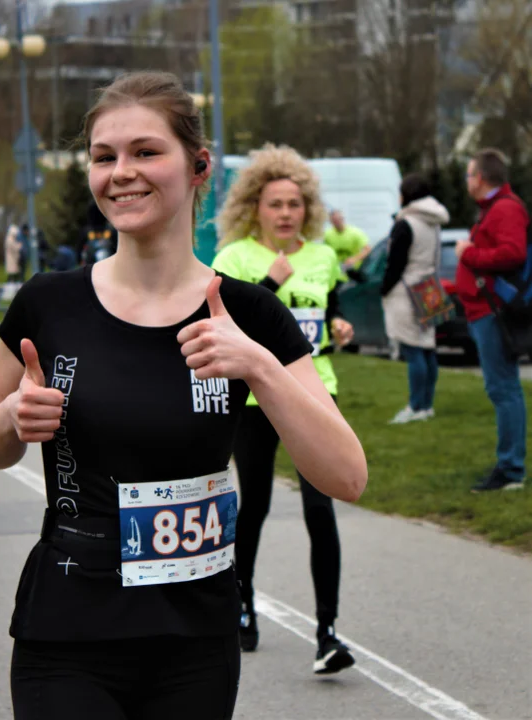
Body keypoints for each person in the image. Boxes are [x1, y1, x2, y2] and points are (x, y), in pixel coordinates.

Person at [0, 72, 367, 720]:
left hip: (194, 642)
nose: (120, 172)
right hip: (67, 631)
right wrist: (11, 419)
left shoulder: (248, 314)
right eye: (104, 156)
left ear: (198, 165)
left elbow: (346, 476)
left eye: (145, 152)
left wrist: (259, 368)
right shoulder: (50, 302)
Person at [212, 143, 358, 673]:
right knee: (255, 504)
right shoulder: (234, 260)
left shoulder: (322, 257)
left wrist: (341, 328)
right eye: (275, 204)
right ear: (255, 207)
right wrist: (270, 282)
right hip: (252, 398)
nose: (285, 214)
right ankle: (243, 606)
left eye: (294, 204)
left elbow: (326, 315)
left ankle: (328, 634)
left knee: (321, 508)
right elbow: (226, 328)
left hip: (316, 391)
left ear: (307, 208)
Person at [456, 148, 529, 492]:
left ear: (481, 178)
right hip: (483, 310)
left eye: (469, 175)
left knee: (504, 390)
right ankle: (509, 464)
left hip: (494, 312)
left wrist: (467, 253)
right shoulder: (495, 208)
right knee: (501, 388)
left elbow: (512, 252)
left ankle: (511, 470)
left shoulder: (505, 209)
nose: (467, 181)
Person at [380, 174, 450, 424]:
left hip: (407, 289)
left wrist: (384, 288)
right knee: (428, 348)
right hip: (430, 286)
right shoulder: (434, 221)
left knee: (413, 349)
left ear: (407, 195)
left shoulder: (406, 223)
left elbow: (396, 263)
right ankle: (427, 404)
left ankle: (415, 406)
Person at [323, 209, 371, 280]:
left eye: (338, 219)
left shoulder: (355, 233)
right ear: (331, 221)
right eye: (334, 221)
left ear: (342, 219)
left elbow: (367, 249)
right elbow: (326, 253)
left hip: (353, 274)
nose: (336, 222)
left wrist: (354, 259)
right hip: (337, 275)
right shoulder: (328, 234)